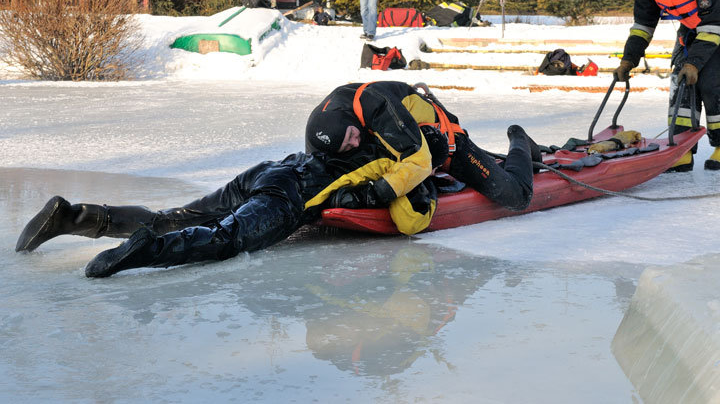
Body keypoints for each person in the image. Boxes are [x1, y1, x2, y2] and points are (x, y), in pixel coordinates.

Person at [15, 129, 449, 278]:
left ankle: (74, 216)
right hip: (289, 194)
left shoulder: (370, 138)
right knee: (230, 236)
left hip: (270, 170)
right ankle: (146, 250)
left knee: (175, 217)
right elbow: (404, 212)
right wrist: (424, 184)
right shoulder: (397, 167)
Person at [305, 81, 540, 214]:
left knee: (517, 196)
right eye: (347, 146)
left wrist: (372, 195)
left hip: (443, 143)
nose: (355, 143)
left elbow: (419, 162)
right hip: (397, 149)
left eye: (354, 136)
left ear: (350, 119)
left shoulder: (374, 105)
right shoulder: (318, 132)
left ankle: (519, 138)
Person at [614, 0, 720, 172]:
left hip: (717, 22)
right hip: (692, 28)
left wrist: (696, 62)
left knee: (712, 83)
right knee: (681, 82)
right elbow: (643, 23)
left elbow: (714, 20)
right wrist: (629, 59)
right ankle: (681, 148)